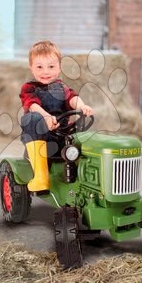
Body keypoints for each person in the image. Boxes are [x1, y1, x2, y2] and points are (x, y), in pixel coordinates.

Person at [19, 40, 93, 192]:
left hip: (62, 137)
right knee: (31, 118)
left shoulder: (62, 88)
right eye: (39, 67)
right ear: (31, 68)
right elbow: (32, 104)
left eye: (51, 66)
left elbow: (72, 98)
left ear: (59, 68)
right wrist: (46, 117)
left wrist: (82, 106)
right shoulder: (29, 88)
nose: (45, 72)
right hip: (42, 139)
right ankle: (41, 176)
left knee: (84, 128)